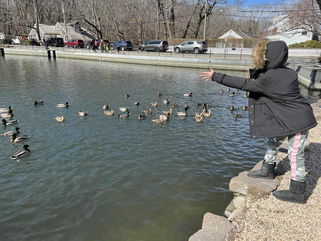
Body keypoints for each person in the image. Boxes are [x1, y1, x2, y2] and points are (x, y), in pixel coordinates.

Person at [200, 40, 317, 204]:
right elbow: (264, 79)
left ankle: (297, 191)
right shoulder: (287, 72)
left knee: (295, 153)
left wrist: (216, 76)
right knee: (273, 141)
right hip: (284, 117)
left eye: (266, 55)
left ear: (270, 56)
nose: (264, 57)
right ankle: (268, 170)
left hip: (298, 120)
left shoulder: (271, 77)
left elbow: (246, 84)